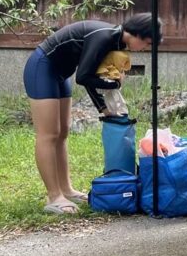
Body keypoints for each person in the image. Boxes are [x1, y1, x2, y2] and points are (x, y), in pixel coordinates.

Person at [23, 14, 160, 214]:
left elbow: (92, 75)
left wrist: (102, 108)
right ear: (136, 34)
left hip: (60, 74)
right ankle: (54, 197)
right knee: (49, 134)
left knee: (62, 133)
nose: (145, 48)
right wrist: (115, 83)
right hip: (42, 68)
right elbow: (84, 76)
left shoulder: (116, 41)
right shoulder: (105, 37)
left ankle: (66, 190)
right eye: (147, 43)